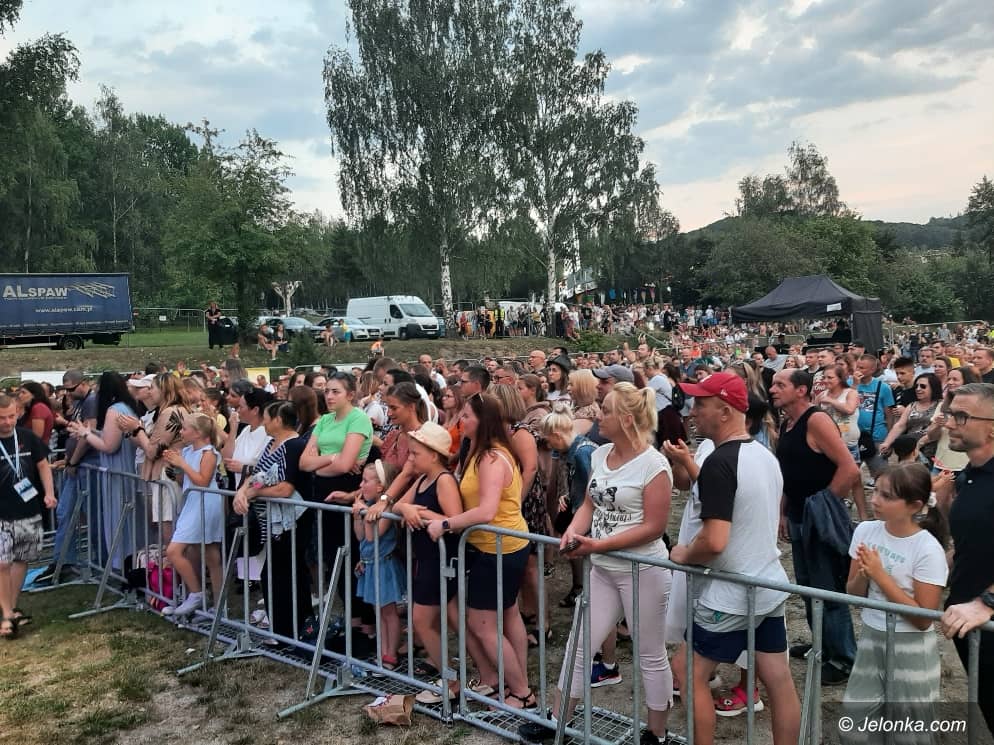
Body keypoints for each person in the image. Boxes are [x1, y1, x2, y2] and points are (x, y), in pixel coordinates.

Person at [521, 382, 675, 745]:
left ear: (626, 419)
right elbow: (590, 503)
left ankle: (656, 733)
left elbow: (654, 527)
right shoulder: (601, 454)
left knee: (650, 653)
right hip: (604, 568)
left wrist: (598, 544)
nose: (596, 417)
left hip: (643, 570)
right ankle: (557, 721)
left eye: (605, 411)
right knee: (579, 645)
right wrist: (573, 531)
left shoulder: (654, 465)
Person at [669, 372, 800, 745]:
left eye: (701, 404)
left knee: (686, 671)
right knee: (778, 678)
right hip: (767, 583)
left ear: (725, 411)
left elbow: (714, 541)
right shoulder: (764, 455)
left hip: (732, 592)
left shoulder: (720, 462)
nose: (692, 412)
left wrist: (684, 553)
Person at [426, 393, 533, 710]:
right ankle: (515, 682)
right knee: (508, 613)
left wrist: (445, 524)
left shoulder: (491, 458)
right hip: (498, 544)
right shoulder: (479, 451)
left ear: (483, 420)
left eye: (467, 416)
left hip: (499, 548)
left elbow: (486, 511)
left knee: (482, 625)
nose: (461, 421)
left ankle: (522, 693)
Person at [770, 368, 860, 686]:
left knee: (827, 589)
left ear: (801, 390)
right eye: (773, 384)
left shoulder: (816, 420)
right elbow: (788, 474)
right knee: (809, 586)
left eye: (780, 384)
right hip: (798, 516)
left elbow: (849, 469)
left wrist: (823, 505)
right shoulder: (787, 424)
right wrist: (783, 512)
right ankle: (822, 645)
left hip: (818, 521)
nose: (773, 389)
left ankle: (844, 659)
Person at [844, 463, 949, 727]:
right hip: (871, 636)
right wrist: (864, 575)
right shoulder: (865, 531)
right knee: (856, 725)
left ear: (914, 506)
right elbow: (853, 593)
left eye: (886, 496)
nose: (874, 500)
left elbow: (923, 618)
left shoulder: (927, 549)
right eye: (875, 490)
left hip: (910, 646)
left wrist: (880, 576)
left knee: (909, 729)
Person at [938, 383, 994, 735]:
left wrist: (987, 602)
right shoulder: (967, 476)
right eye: (950, 414)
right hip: (968, 623)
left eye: (961, 416)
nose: (948, 423)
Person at [300, 372, 375, 634]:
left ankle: (367, 624)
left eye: (335, 391)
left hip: (347, 494)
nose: (329, 396)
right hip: (323, 495)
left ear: (350, 395)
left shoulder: (358, 419)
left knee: (353, 558)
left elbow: (345, 465)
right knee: (335, 561)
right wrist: (332, 458)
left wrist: (321, 463)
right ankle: (352, 620)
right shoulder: (324, 420)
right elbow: (304, 462)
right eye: (327, 391)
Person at [232, 401, 312, 641]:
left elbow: (285, 488)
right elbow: (257, 475)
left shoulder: (294, 446)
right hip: (272, 522)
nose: (264, 423)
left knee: (286, 575)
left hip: (292, 522)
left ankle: (293, 630)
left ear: (278, 420)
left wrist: (252, 493)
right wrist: (243, 491)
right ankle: (281, 629)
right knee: (274, 574)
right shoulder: (270, 443)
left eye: (266, 418)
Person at [69, 372, 140, 572]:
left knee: (120, 519)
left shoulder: (114, 410)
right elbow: (112, 436)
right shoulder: (127, 407)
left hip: (118, 472)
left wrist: (86, 435)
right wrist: (91, 432)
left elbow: (109, 446)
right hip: (125, 469)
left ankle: (123, 564)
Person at [0, 394, 56, 638]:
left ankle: (10, 609)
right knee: (2, 563)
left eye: (11, 416)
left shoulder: (27, 437)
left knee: (22, 559)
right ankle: (6, 614)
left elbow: (43, 464)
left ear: (18, 413)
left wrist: (49, 493)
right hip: (1, 514)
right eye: (1, 418)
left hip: (28, 510)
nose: (7, 422)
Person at [160, 414, 224, 618]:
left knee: (175, 551)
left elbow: (203, 481)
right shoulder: (188, 451)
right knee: (209, 554)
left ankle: (198, 595)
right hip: (192, 501)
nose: (181, 432)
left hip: (205, 503)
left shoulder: (209, 453)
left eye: (185, 429)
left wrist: (183, 464)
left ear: (197, 433)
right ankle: (215, 604)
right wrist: (174, 466)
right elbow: (184, 480)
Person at [350, 460, 403, 670]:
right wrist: (358, 517)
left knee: (388, 612)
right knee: (378, 611)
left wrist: (366, 513)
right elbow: (361, 537)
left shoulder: (386, 509)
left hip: (384, 566)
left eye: (365, 481)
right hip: (370, 565)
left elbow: (373, 537)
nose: (361, 485)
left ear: (380, 486)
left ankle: (391, 654)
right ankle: (382, 651)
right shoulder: (370, 507)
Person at [922, 366, 980, 473]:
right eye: (948, 379)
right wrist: (937, 425)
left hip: (968, 465)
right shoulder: (942, 406)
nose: (950, 382)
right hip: (941, 464)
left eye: (955, 379)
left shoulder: (980, 406)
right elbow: (932, 437)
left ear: (967, 382)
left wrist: (953, 425)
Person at [879, 373, 942, 464]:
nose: (918, 389)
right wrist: (887, 443)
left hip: (932, 452)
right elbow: (900, 425)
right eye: (916, 386)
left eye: (923, 386)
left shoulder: (941, 405)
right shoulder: (912, 405)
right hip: (909, 451)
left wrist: (919, 445)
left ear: (933, 388)